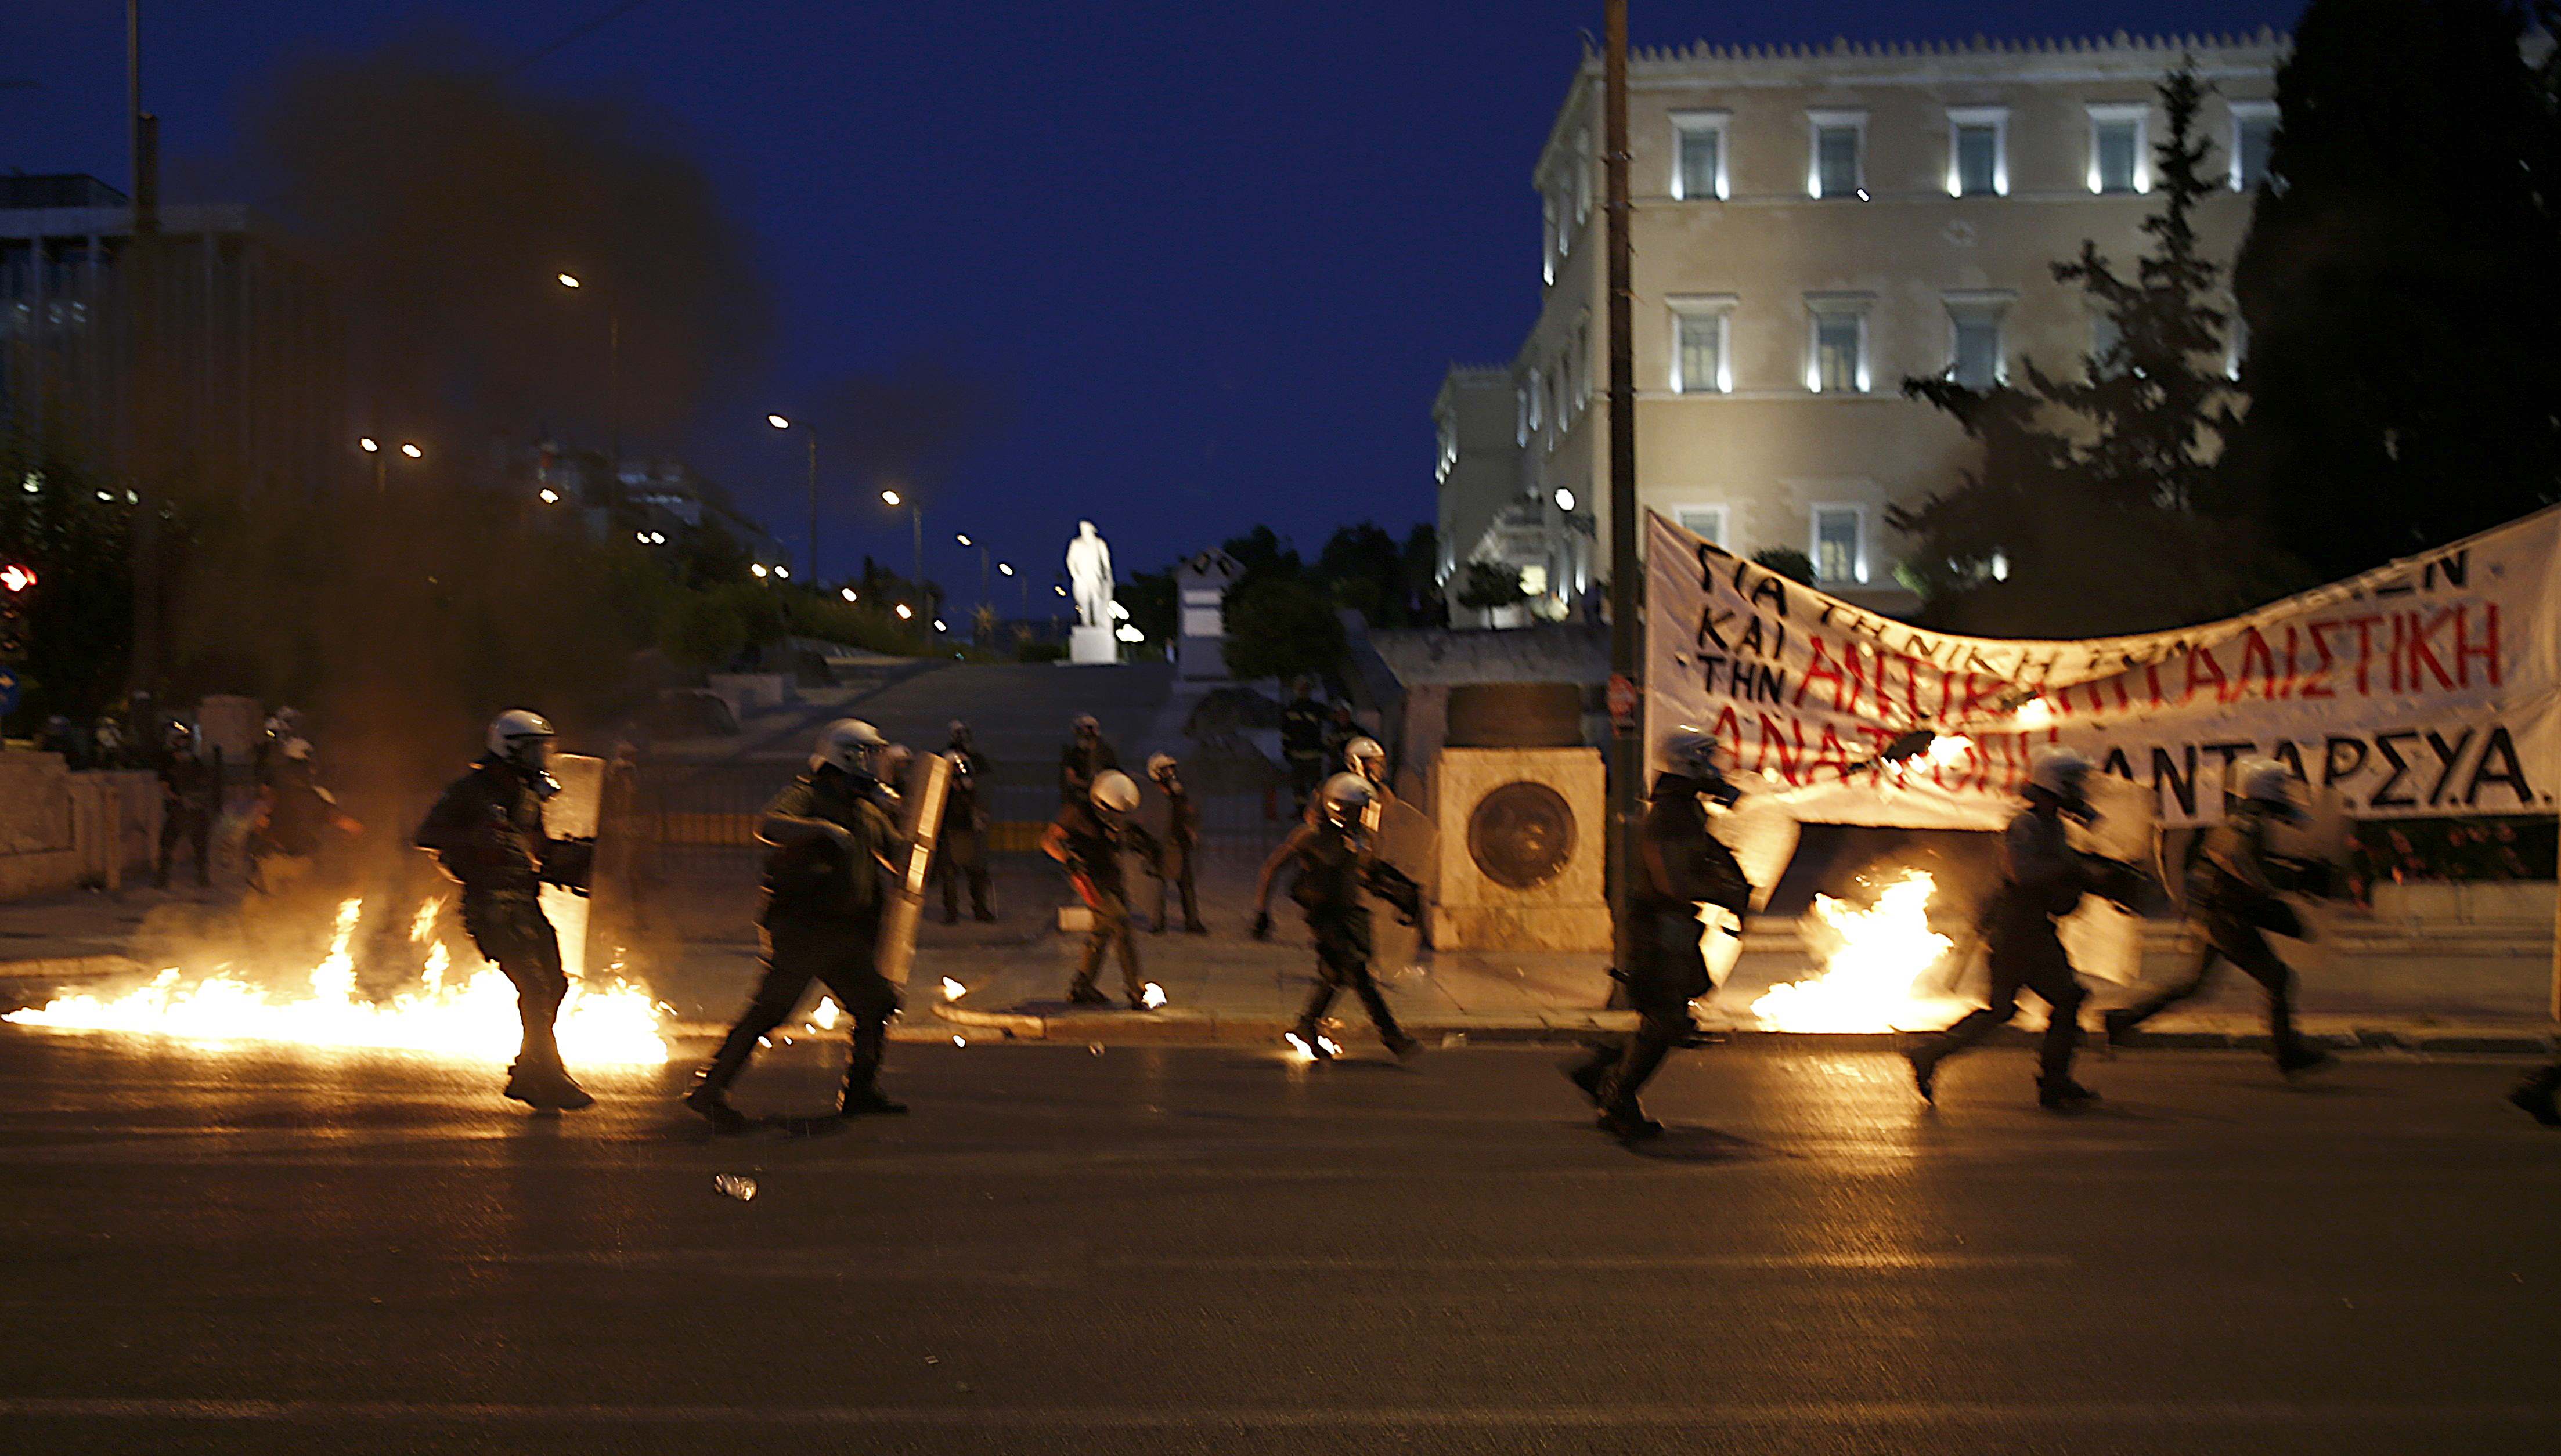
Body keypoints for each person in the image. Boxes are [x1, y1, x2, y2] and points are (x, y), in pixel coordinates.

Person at [685, 720, 907, 1130]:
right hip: (804, 930)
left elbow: (901, 859)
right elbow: (769, 824)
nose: (875, 765)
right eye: (868, 755)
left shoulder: (866, 810)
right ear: (847, 756)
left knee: (875, 1003)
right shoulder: (808, 794)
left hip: (843, 934)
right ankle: (710, 1091)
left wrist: (911, 820)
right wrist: (820, 829)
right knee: (769, 1011)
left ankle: (860, 1092)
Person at [1904, 746, 2118, 1112]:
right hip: (2018, 932)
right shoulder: (2027, 826)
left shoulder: (2051, 827)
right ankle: (2050, 1082)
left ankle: (1933, 1055)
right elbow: (2024, 874)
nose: (2079, 792)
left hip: (2031, 930)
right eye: (2073, 785)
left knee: (2014, 1008)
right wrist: (2077, 873)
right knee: (2054, 1001)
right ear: (2058, 786)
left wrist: (2097, 878)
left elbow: (2060, 877)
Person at [1564, 730, 1751, 1138]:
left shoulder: (1684, 808)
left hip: (1669, 927)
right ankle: (1617, 1096)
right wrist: (1723, 892)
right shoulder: (1672, 814)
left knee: (1667, 1014)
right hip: (1658, 930)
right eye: (1709, 760)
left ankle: (1601, 1071)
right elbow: (1672, 881)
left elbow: (1702, 856)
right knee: (1665, 1019)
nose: (1717, 768)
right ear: (1691, 764)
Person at [2102, 759, 2338, 1077]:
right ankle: (2287, 1054)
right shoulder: (2249, 821)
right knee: (2279, 977)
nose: (2285, 793)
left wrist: (2288, 873)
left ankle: (2121, 1020)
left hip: (2217, 915)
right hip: (2226, 918)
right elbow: (2234, 856)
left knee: (2193, 986)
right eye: (2280, 787)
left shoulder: (2248, 817)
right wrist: (2272, 884)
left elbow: (2242, 859)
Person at [414, 710, 596, 1112]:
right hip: (489, 902)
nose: (540, 756)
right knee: (532, 984)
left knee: (555, 982)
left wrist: (574, 856)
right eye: (532, 748)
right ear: (508, 748)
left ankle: (528, 1069)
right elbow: (426, 834)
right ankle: (548, 1073)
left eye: (542, 748)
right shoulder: (471, 791)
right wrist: (473, 837)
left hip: (525, 900)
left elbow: (538, 845)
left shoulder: (528, 794)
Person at [1251, 773, 1423, 1061]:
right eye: (1360, 809)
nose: (1365, 815)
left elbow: (1369, 875)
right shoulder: (1311, 836)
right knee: (1357, 974)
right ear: (1341, 807)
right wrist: (1262, 913)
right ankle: (1393, 1037)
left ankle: (1307, 1025)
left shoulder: (1358, 840)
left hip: (1348, 914)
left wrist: (1404, 897)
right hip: (1323, 916)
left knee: (1334, 975)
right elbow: (1272, 867)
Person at [1043, 769, 1156, 1007]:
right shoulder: (1077, 812)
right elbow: (1048, 841)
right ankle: (1136, 991)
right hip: (1090, 879)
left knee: (1101, 932)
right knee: (1121, 923)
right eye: (1113, 813)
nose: (1116, 817)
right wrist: (1068, 860)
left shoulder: (1114, 812)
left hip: (1111, 876)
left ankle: (1082, 987)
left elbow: (1118, 836)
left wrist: (1141, 844)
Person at [936, 720, 995, 924]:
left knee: (976, 869)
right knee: (951, 872)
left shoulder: (974, 762)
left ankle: (979, 909)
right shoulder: (945, 760)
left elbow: (983, 787)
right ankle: (953, 912)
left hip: (968, 824)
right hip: (951, 824)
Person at [1144, 752, 1205, 934]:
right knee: (1159, 884)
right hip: (1161, 841)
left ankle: (1192, 921)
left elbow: (1185, 809)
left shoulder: (1176, 788)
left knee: (1186, 882)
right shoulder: (1152, 791)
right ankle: (1158, 922)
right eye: (1166, 769)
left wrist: (1190, 824)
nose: (1170, 772)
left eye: (1171, 768)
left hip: (1178, 839)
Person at [155, 721, 217, 890]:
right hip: (197, 810)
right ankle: (203, 879)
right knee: (200, 848)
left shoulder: (168, 762)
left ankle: (162, 880)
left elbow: (165, 788)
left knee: (168, 845)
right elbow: (206, 784)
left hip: (179, 809)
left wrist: (176, 799)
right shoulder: (196, 761)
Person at [1279, 678, 1328, 814]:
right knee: (1298, 786)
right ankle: (1301, 810)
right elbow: (1286, 732)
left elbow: (1327, 728)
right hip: (1297, 754)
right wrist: (1286, 749)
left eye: (1305, 689)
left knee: (1315, 786)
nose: (1302, 692)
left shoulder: (1317, 709)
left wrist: (1324, 746)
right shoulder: (1291, 710)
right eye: (1301, 689)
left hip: (1313, 754)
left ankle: (1317, 811)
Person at [1059, 713, 1120, 806]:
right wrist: (1088, 786)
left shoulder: (1106, 752)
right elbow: (1071, 777)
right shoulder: (1073, 753)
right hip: (1081, 797)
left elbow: (1115, 774)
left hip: (1105, 796)